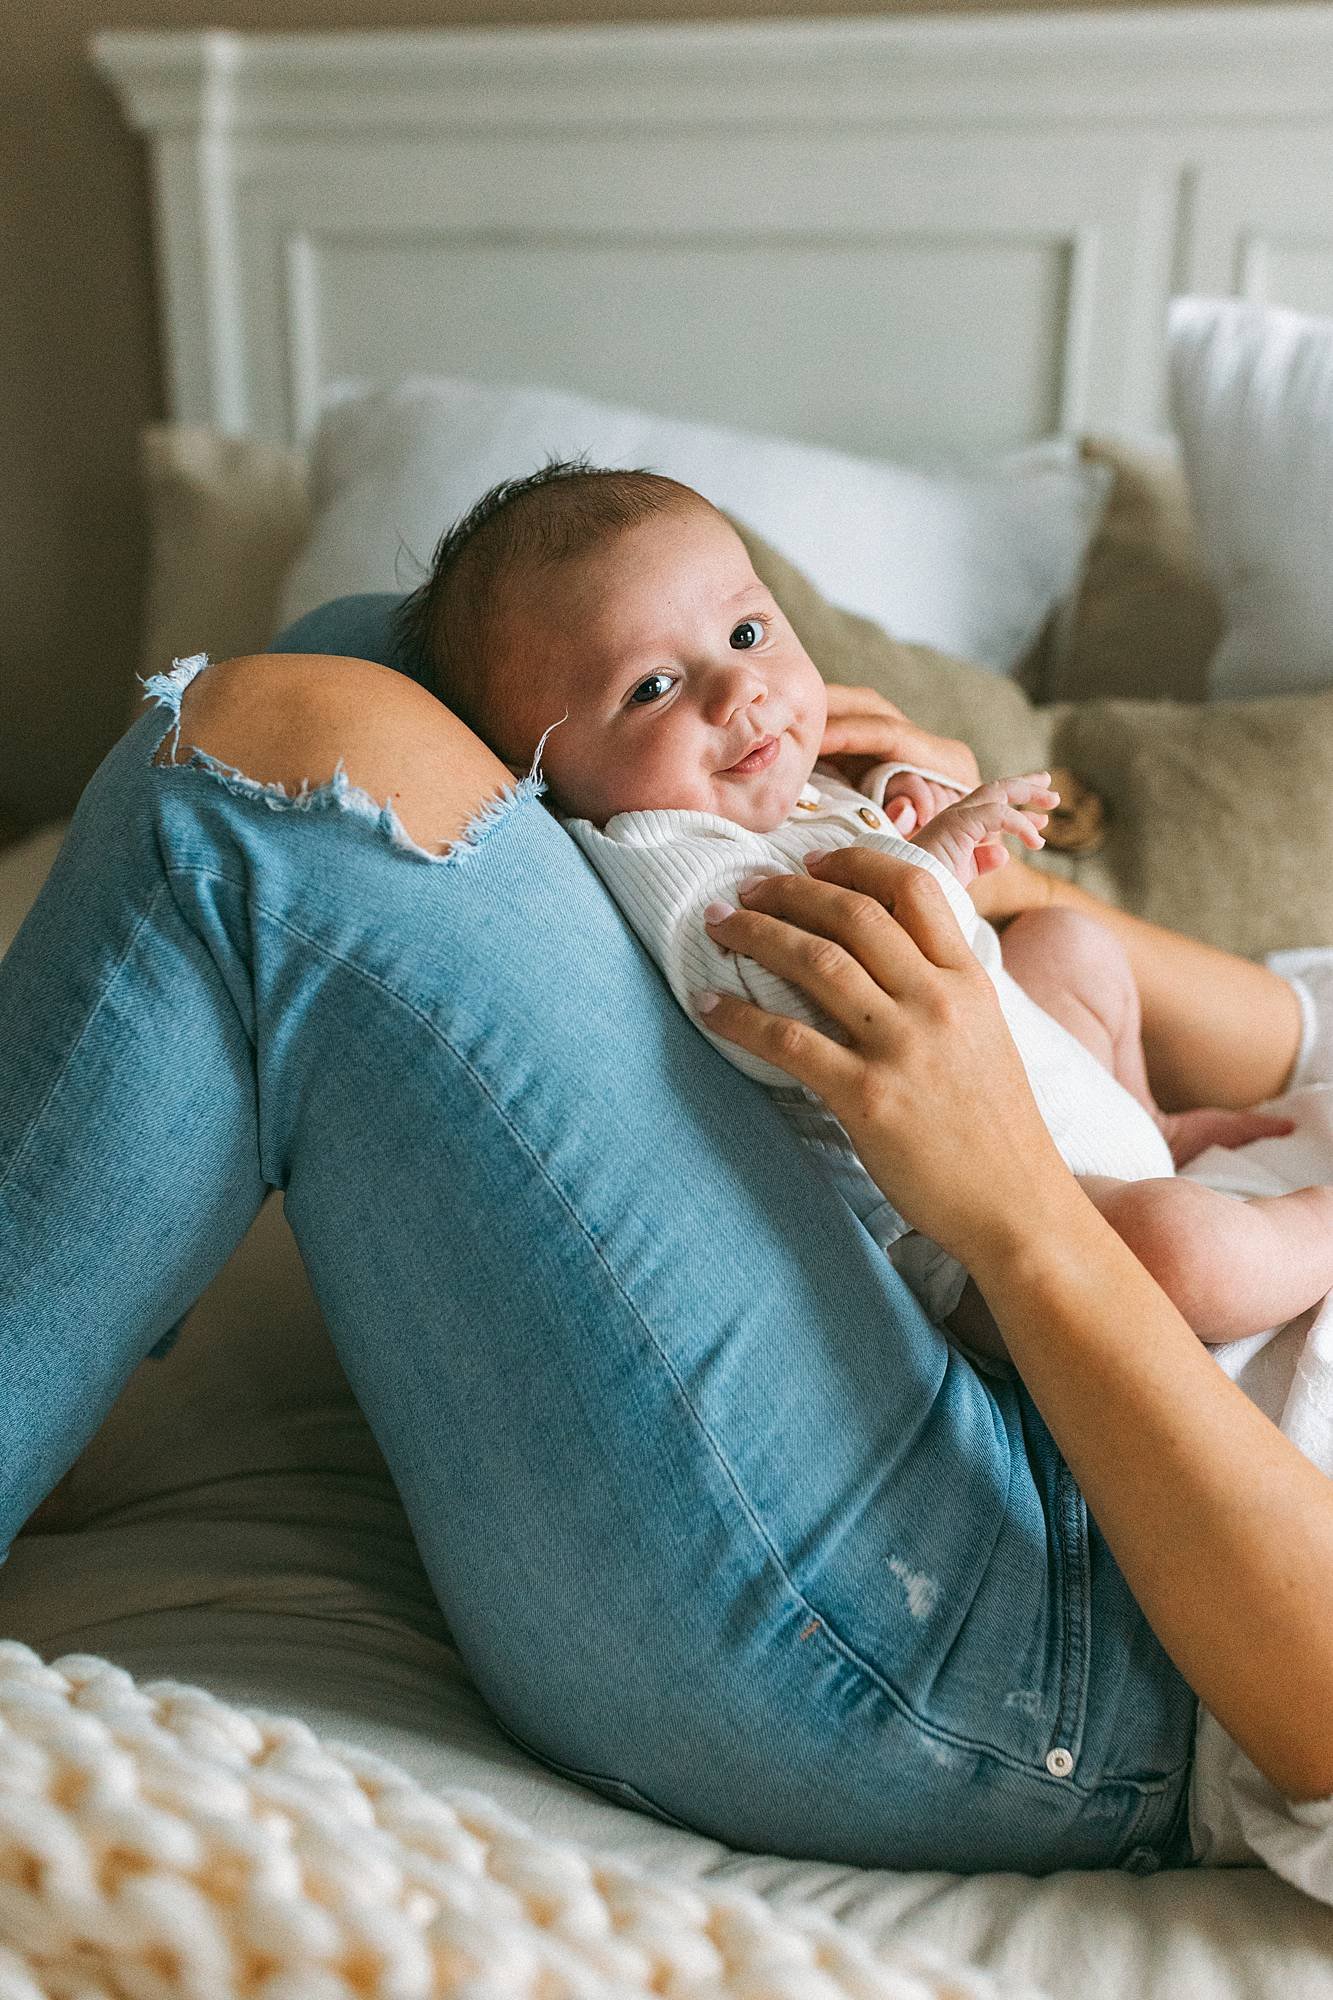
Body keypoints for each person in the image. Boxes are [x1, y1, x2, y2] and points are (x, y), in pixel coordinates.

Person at [7, 519, 1333, 1882]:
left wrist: (1020, 1214)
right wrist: (856, 815)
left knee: (270, 756)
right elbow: (1230, 1015)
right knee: (373, 645)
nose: (729, 678)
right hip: (1019, 1310)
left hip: (1097, 1587)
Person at [385, 459, 1327, 1360]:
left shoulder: (767, 783)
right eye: (652, 688)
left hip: (1060, 1107)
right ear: (541, 780)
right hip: (975, 1237)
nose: (738, 690)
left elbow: (855, 828)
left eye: (747, 635)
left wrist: (896, 785)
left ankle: (1149, 1121)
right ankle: (1307, 1229)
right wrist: (935, 854)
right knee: (1184, 1255)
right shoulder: (660, 856)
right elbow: (791, 980)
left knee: (1064, 939)